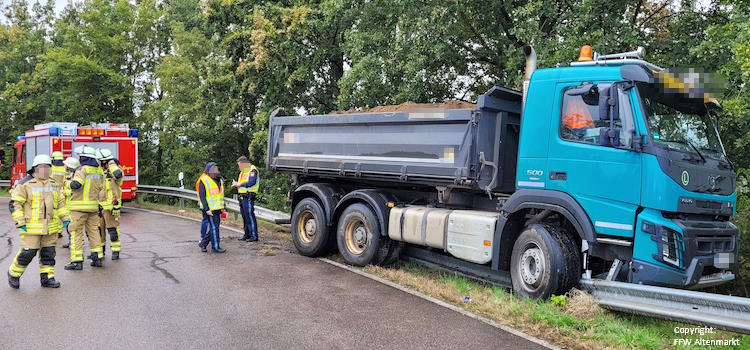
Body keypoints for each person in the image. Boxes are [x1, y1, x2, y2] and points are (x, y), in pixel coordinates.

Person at [8, 154, 70, 289]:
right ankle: (14, 274)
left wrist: (65, 218)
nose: (45, 169)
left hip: (50, 227)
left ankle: (47, 278)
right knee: (27, 253)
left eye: (47, 166)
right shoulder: (25, 184)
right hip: (30, 227)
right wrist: (20, 221)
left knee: (48, 254)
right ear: (35, 168)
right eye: (42, 167)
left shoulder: (54, 184)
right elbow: (15, 204)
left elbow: (60, 203)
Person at [64, 146, 105, 270]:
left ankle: (77, 261)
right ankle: (97, 258)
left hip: (78, 208)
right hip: (93, 208)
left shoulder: (82, 169)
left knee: (76, 233)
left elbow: (76, 185)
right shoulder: (99, 171)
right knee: (94, 232)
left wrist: (66, 183)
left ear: (84, 157)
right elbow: (101, 187)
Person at [97, 149, 124, 260]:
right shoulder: (100, 172)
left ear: (105, 161)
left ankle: (115, 251)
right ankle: (100, 252)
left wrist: (111, 164)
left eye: (100, 161)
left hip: (111, 208)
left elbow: (118, 175)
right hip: (99, 207)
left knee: (112, 230)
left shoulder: (116, 171)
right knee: (99, 231)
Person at [196, 162, 226, 253]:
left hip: (217, 208)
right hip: (209, 209)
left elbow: (221, 195)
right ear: (209, 170)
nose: (215, 170)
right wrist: (207, 209)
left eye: (216, 168)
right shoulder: (204, 180)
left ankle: (203, 243)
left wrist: (223, 207)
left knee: (215, 227)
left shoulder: (219, 180)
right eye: (213, 169)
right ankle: (215, 247)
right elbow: (202, 196)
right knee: (214, 228)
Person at [232, 156, 259, 242]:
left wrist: (239, 184)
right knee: (244, 216)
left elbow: (251, 182)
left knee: (249, 216)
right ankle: (247, 234)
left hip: (248, 196)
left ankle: (254, 236)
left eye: (240, 165)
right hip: (242, 196)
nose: (239, 167)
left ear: (244, 163)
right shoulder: (242, 172)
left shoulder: (252, 170)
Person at [60, 157, 80, 249]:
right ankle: (70, 241)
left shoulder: (76, 178)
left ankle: (75, 243)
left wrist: (64, 193)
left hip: (73, 206)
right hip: (66, 205)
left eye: (66, 165)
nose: (64, 166)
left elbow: (74, 192)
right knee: (68, 227)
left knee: (73, 228)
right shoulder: (67, 176)